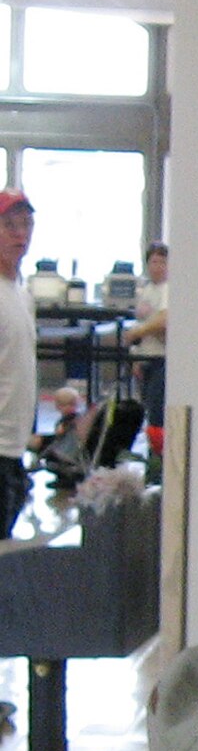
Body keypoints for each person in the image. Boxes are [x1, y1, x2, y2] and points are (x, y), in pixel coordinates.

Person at [0, 190, 35, 535]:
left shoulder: (21, 294)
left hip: (14, 448)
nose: (20, 234)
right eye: (9, 225)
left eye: (26, 224)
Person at [125, 242, 168, 452]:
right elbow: (142, 322)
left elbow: (163, 321)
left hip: (161, 358)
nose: (157, 266)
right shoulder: (146, 290)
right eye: (153, 261)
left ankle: (158, 459)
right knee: (148, 411)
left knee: (158, 412)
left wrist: (138, 333)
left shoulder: (168, 290)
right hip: (145, 358)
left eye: (162, 261)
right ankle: (152, 453)